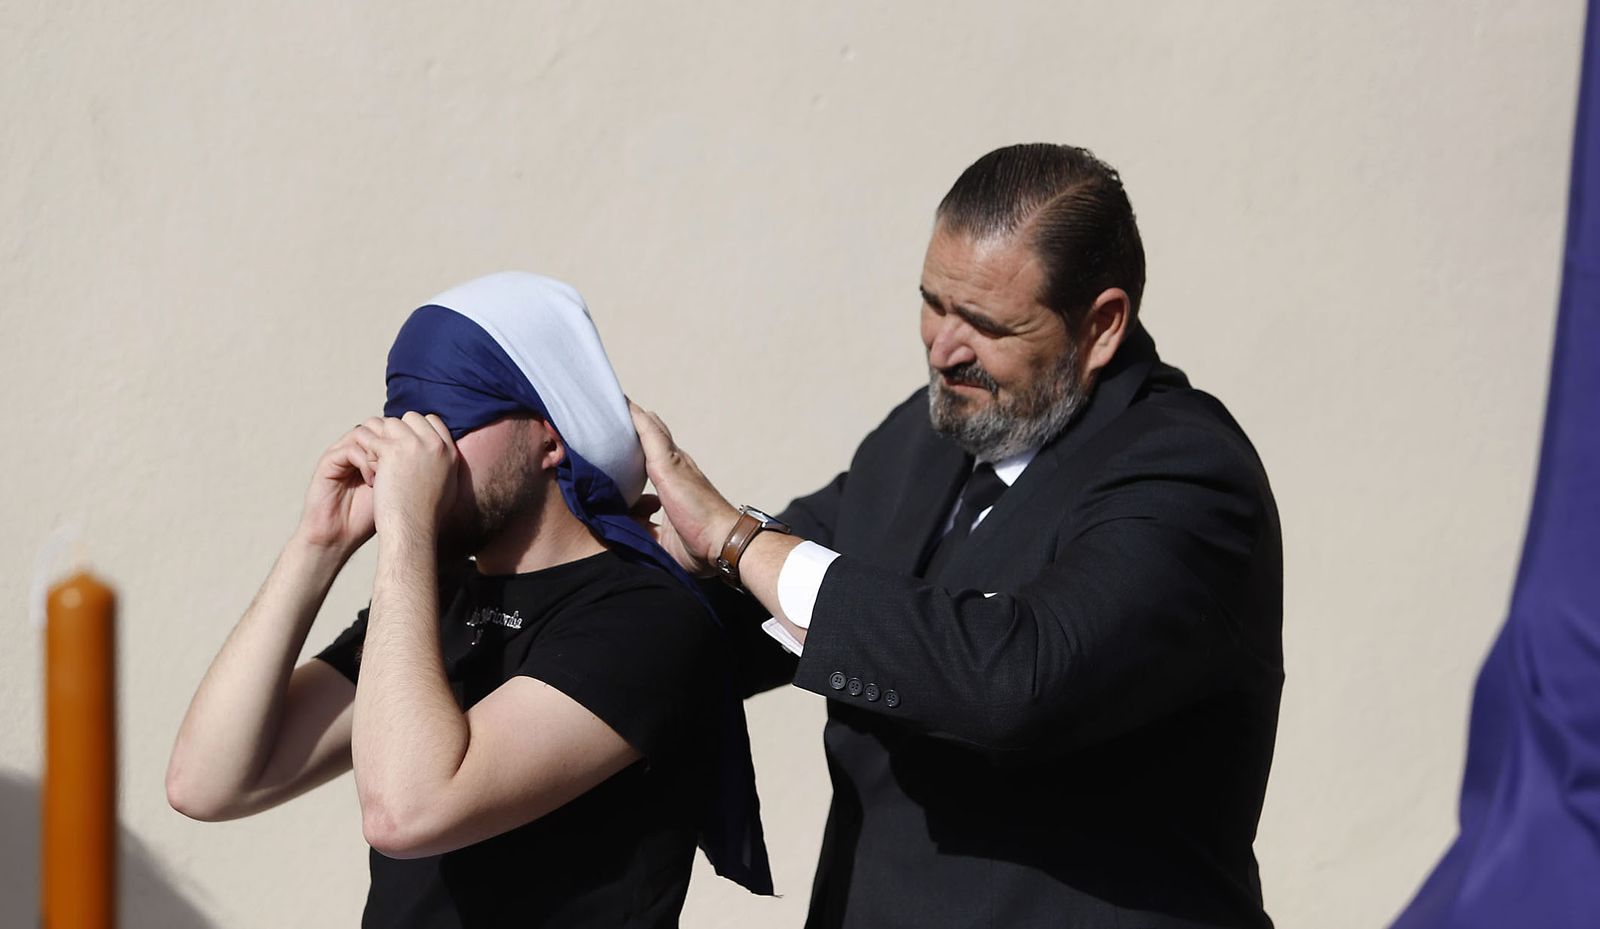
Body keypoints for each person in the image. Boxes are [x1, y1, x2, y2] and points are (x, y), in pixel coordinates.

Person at [630, 144, 1283, 928]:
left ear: (1103, 325)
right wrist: (569, 568)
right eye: (933, 303)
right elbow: (759, 610)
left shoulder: (1186, 475)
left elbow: (1016, 678)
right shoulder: (926, 436)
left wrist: (739, 541)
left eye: (986, 322)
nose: (944, 349)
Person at [167, 272, 771, 928]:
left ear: (549, 433)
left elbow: (407, 811)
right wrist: (318, 543)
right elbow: (207, 782)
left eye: (449, 415)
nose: (420, 445)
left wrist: (406, 532)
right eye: (403, 415)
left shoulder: (646, 616)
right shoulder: (441, 599)